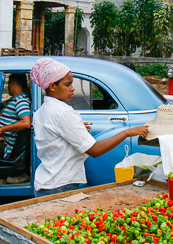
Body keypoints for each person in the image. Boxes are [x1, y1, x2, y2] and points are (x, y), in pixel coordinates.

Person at [30, 57, 148, 197]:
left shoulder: (41, 111)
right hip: (60, 186)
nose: (72, 88)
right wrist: (126, 133)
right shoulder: (63, 113)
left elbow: (56, 138)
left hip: (46, 183)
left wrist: (77, 130)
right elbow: (95, 150)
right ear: (52, 86)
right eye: (67, 85)